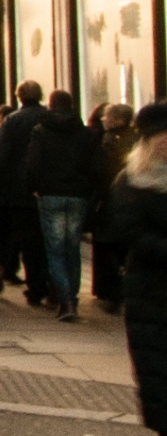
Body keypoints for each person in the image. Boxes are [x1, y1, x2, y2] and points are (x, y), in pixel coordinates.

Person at [110, 103, 167, 436]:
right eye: (161, 138)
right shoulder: (131, 181)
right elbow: (126, 234)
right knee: (160, 384)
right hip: (151, 295)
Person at [24, 87, 102, 322]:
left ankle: (65, 300)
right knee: (72, 248)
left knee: (55, 250)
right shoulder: (86, 134)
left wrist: (34, 187)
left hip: (50, 194)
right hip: (77, 194)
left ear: (50, 104)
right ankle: (73, 297)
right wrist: (88, 190)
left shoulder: (41, 131)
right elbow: (96, 168)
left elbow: (33, 164)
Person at [0, 78, 49, 305]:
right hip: (47, 187)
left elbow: (0, 157)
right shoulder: (49, 117)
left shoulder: (13, 121)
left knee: (29, 240)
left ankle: (35, 287)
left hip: (20, 191)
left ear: (19, 97)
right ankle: (49, 282)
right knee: (46, 239)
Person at [90, 103, 135, 309]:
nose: (103, 120)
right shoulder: (136, 138)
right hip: (130, 200)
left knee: (107, 246)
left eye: (107, 116)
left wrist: (96, 199)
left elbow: (103, 172)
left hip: (112, 199)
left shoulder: (109, 141)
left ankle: (111, 292)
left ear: (118, 119)